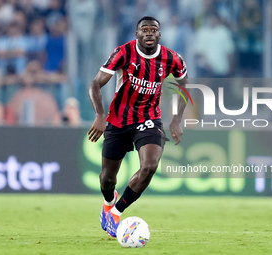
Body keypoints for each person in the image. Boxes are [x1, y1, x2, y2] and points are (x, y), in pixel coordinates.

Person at [87, 16, 189, 238]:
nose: (149, 33)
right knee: (107, 178)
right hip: (118, 120)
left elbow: (184, 86)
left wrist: (176, 119)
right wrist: (100, 115)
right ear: (137, 34)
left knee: (150, 166)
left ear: (160, 34)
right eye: (145, 29)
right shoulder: (123, 52)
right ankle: (108, 202)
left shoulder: (172, 58)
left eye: (154, 29)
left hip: (149, 118)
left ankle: (116, 212)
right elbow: (95, 83)